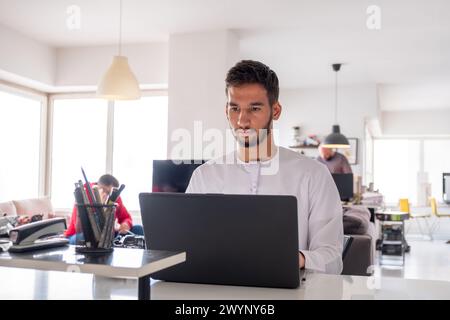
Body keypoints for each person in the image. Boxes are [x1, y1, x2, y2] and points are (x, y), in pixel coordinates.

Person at [186, 60, 343, 274]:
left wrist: (294, 258)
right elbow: (186, 247)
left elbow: (332, 259)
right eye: (235, 108)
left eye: (255, 108)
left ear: (275, 111)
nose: (242, 120)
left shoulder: (313, 175)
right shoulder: (204, 177)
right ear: (226, 110)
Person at [65, 174, 143, 244]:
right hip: (80, 234)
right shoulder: (84, 192)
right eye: (104, 190)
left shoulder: (114, 196)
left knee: (138, 229)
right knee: (87, 238)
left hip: (106, 235)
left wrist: (125, 224)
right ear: (97, 186)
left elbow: (126, 217)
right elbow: (79, 229)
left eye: (110, 193)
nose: (106, 195)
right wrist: (99, 207)